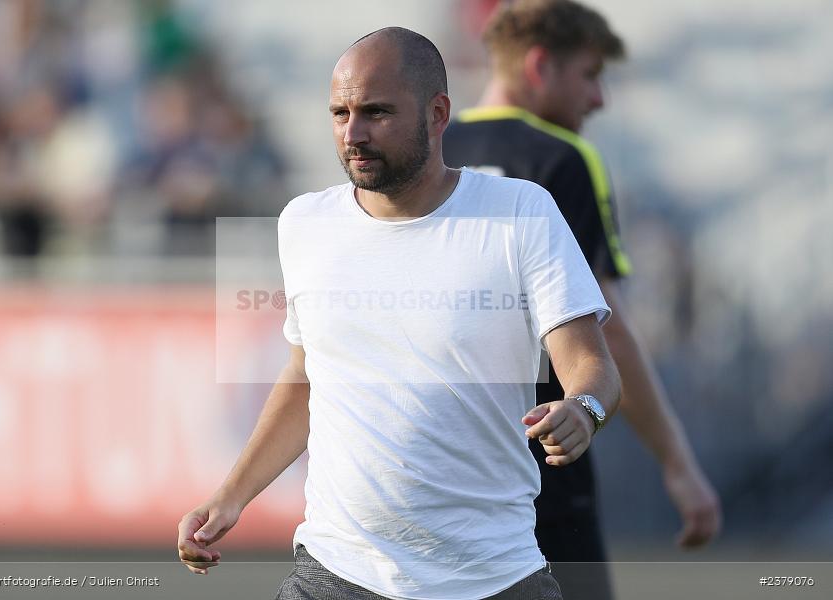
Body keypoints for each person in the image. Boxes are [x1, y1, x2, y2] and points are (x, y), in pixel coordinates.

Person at [178, 26, 623, 600]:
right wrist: (229, 496)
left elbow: (593, 366)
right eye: (340, 113)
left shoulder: (520, 212)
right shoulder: (304, 223)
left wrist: (583, 410)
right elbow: (307, 377)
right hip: (334, 570)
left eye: (377, 112)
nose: (353, 134)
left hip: (493, 577)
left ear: (438, 114)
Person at [442, 1, 723, 598]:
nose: (598, 99)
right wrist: (677, 462)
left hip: (439, 460)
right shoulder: (563, 158)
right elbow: (607, 327)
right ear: (540, 66)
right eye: (590, 75)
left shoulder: (427, 150)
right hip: (543, 454)